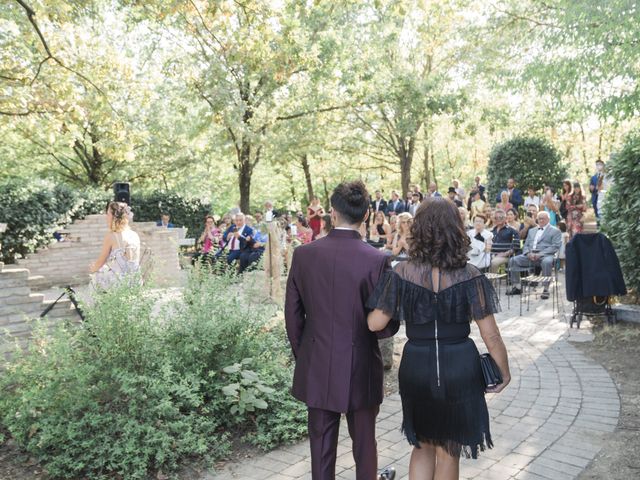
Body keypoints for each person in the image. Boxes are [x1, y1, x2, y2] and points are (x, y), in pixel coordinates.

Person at [367, 197, 510, 480]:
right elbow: (490, 333)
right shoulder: (470, 274)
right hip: (459, 366)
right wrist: (503, 371)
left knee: (422, 446)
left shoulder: (401, 273)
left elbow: (375, 323)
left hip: (416, 366)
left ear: (418, 230)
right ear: (456, 229)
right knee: (449, 450)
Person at [285, 180, 397, 480]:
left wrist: (307, 354)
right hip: (360, 362)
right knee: (364, 445)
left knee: (320, 447)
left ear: (332, 213)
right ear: (367, 214)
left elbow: (293, 317)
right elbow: (387, 323)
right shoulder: (378, 260)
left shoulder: (304, 256)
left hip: (318, 360)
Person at [506, 211, 562, 299]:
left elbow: (555, 246)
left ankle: (545, 289)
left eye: (543, 218)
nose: (541, 220)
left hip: (545, 256)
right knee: (513, 260)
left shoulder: (555, 231)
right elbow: (526, 245)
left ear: (548, 219)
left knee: (547, 262)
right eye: (539, 219)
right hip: (530, 256)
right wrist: (528, 253)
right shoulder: (532, 231)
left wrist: (540, 254)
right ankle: (517, 287)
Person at [90, 202, 140, 289]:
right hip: (136, 281)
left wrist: (93, 269)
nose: (106, 217)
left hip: (120, 284)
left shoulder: (112, 236)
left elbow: (100, 262)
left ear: (114, 217)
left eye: (108, 214)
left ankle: (100, 302)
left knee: (94, 279)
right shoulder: (134, 235)